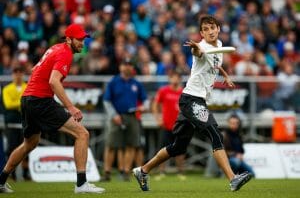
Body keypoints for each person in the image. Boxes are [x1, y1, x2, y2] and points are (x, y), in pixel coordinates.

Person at [132, 15, 252, 192]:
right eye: (206, 29)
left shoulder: (218, 46)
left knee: (178, 147)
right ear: (202, 33)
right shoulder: (201, 47)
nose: (210, 31)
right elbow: (198, 53)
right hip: (192, 100)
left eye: (213, 28)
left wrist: (225, 75)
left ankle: (143, 170)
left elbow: (216, 64)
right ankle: (233, 179)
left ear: (218, 29)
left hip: (193, 100)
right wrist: (196, 49)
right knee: (215, 134)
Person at [0, 23, 105, 194]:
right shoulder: (65, 54)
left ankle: (1, 181)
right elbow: (53, 81)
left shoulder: (55, 48)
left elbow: (36, 68)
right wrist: (71, 107)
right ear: (69, 39)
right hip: (41, 100)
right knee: (82, 134)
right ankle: (81, 184)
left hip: (28, 99)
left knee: (29, 143)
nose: (82, 43)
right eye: (79, 40)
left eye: (83, 39)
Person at [102, 58, 148, 181]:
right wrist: (113, 115)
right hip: (116, 116)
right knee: (111, 145)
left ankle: (126, 172)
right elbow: (106, 101)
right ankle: (107, 173)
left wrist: (144, 107)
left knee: (131, 145)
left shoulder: (136, 83)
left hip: (132, 116)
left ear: (132, 68)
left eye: (129, 65)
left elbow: (145, 99)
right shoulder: (113, 82)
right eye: (124, 64)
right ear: (120, 67)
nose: (127, 67)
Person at [152, 71, 186, 180]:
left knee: (180, 149)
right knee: (163, 149)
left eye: (177, 78)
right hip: (166, 125)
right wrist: (157, 118)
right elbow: (155, 104)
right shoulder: (163, 90)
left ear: (180, 79)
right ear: (169, 78)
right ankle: (161, 172)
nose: (175, 80)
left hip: (179, 125)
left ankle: (180, 172)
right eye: (173, 77)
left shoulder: (183, 92)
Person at [2, 66, 30, 181]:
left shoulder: (27, 87)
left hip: (25, 123)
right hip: (12, 123)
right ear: (12, 74)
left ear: (22, 74)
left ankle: (25, 173)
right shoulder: (7, 88)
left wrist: (17, 102)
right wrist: (21, 102)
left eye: (20, 72)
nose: (18, 75)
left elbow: (28, 101)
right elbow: (8, 104)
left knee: (26, 149)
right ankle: (11, 174)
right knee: (11, 149)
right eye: (15, 72)